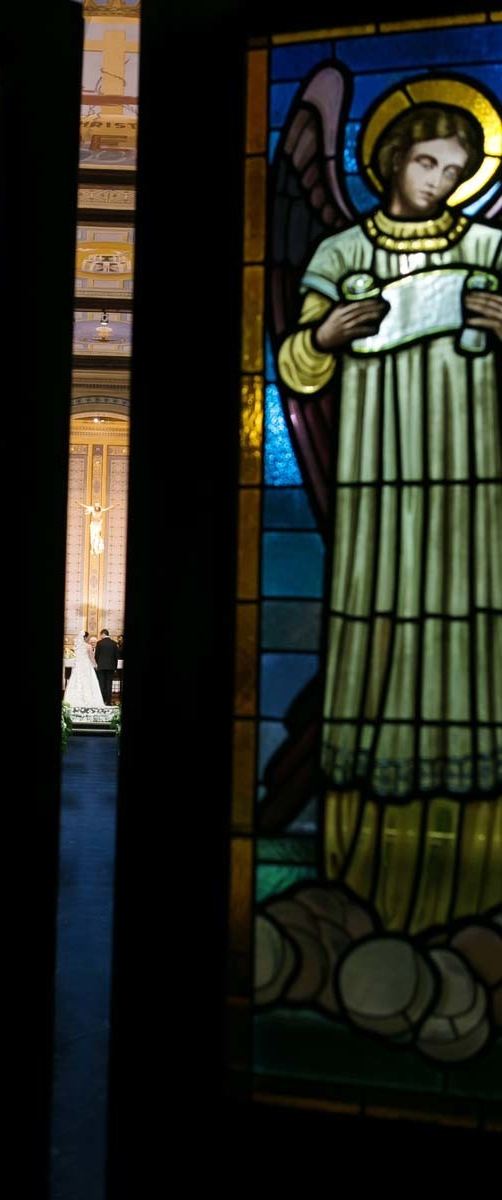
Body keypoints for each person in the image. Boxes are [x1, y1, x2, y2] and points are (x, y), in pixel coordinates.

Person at [278, 100, 502, 933]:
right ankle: (360, 875)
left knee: (464, 644)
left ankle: (473, 883)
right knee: (377, 636)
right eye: (426, 162)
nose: (438, 181)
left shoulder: (490, 251)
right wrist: (326, 335)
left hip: (468, 485)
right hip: (378, 487)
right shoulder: (341, 253)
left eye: (454, 171)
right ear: (391, 160)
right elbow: (296, 371)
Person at [63, 631, 105, 708]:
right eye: (88, 637)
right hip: (86, 666)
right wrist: (95, 665)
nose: (88, 638)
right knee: (88, 681)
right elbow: (91, 658)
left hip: (78, 666)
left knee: (77, 681)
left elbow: (75, 656)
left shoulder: (77, 646)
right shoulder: (88, 646)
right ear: (85, 637)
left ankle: (73, 699)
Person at [94, 629, 118, 706]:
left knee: (101, 684)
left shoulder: (99, 643)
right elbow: (116, 657)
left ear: (103, 634)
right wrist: (115, 667)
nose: (100, 636)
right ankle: (108, 702)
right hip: (111, 667)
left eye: (101, 635)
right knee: (109, 684)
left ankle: (101, 701)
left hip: (101, 667)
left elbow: (96, 656)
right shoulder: (114, 643)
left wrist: (99, 664)